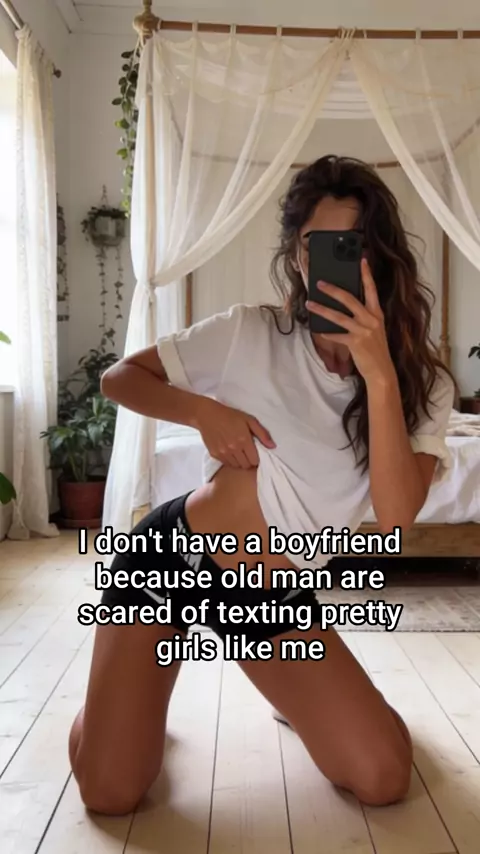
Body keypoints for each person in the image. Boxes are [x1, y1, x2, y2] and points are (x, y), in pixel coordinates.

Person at [69, 155, 454, 816]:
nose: (327, 262)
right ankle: (115, 704)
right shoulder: (251, 332)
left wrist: (379, 374)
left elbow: (395, 517)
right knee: (111, 792)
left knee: (385, 777)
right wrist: (202, 412)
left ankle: (297, 701)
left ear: (378, 255)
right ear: (298, 257)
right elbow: (119, 379)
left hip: (271, 598)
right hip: (171, 562)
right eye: (314, 246)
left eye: (350, 245)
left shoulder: (422, 384)